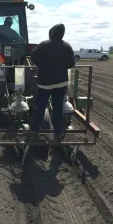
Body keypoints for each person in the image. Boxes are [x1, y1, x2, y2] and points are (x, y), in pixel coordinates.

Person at [30, 23, 75, 157]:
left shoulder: (43, 44)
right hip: (60, 83)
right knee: (58, 109)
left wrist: (43, 65)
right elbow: (71, 63)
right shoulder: (67, 46)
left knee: (40, 107)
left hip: (44, 84)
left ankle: (34, 133)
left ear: (51, 32)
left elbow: (33, 58)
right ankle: (57, 135)